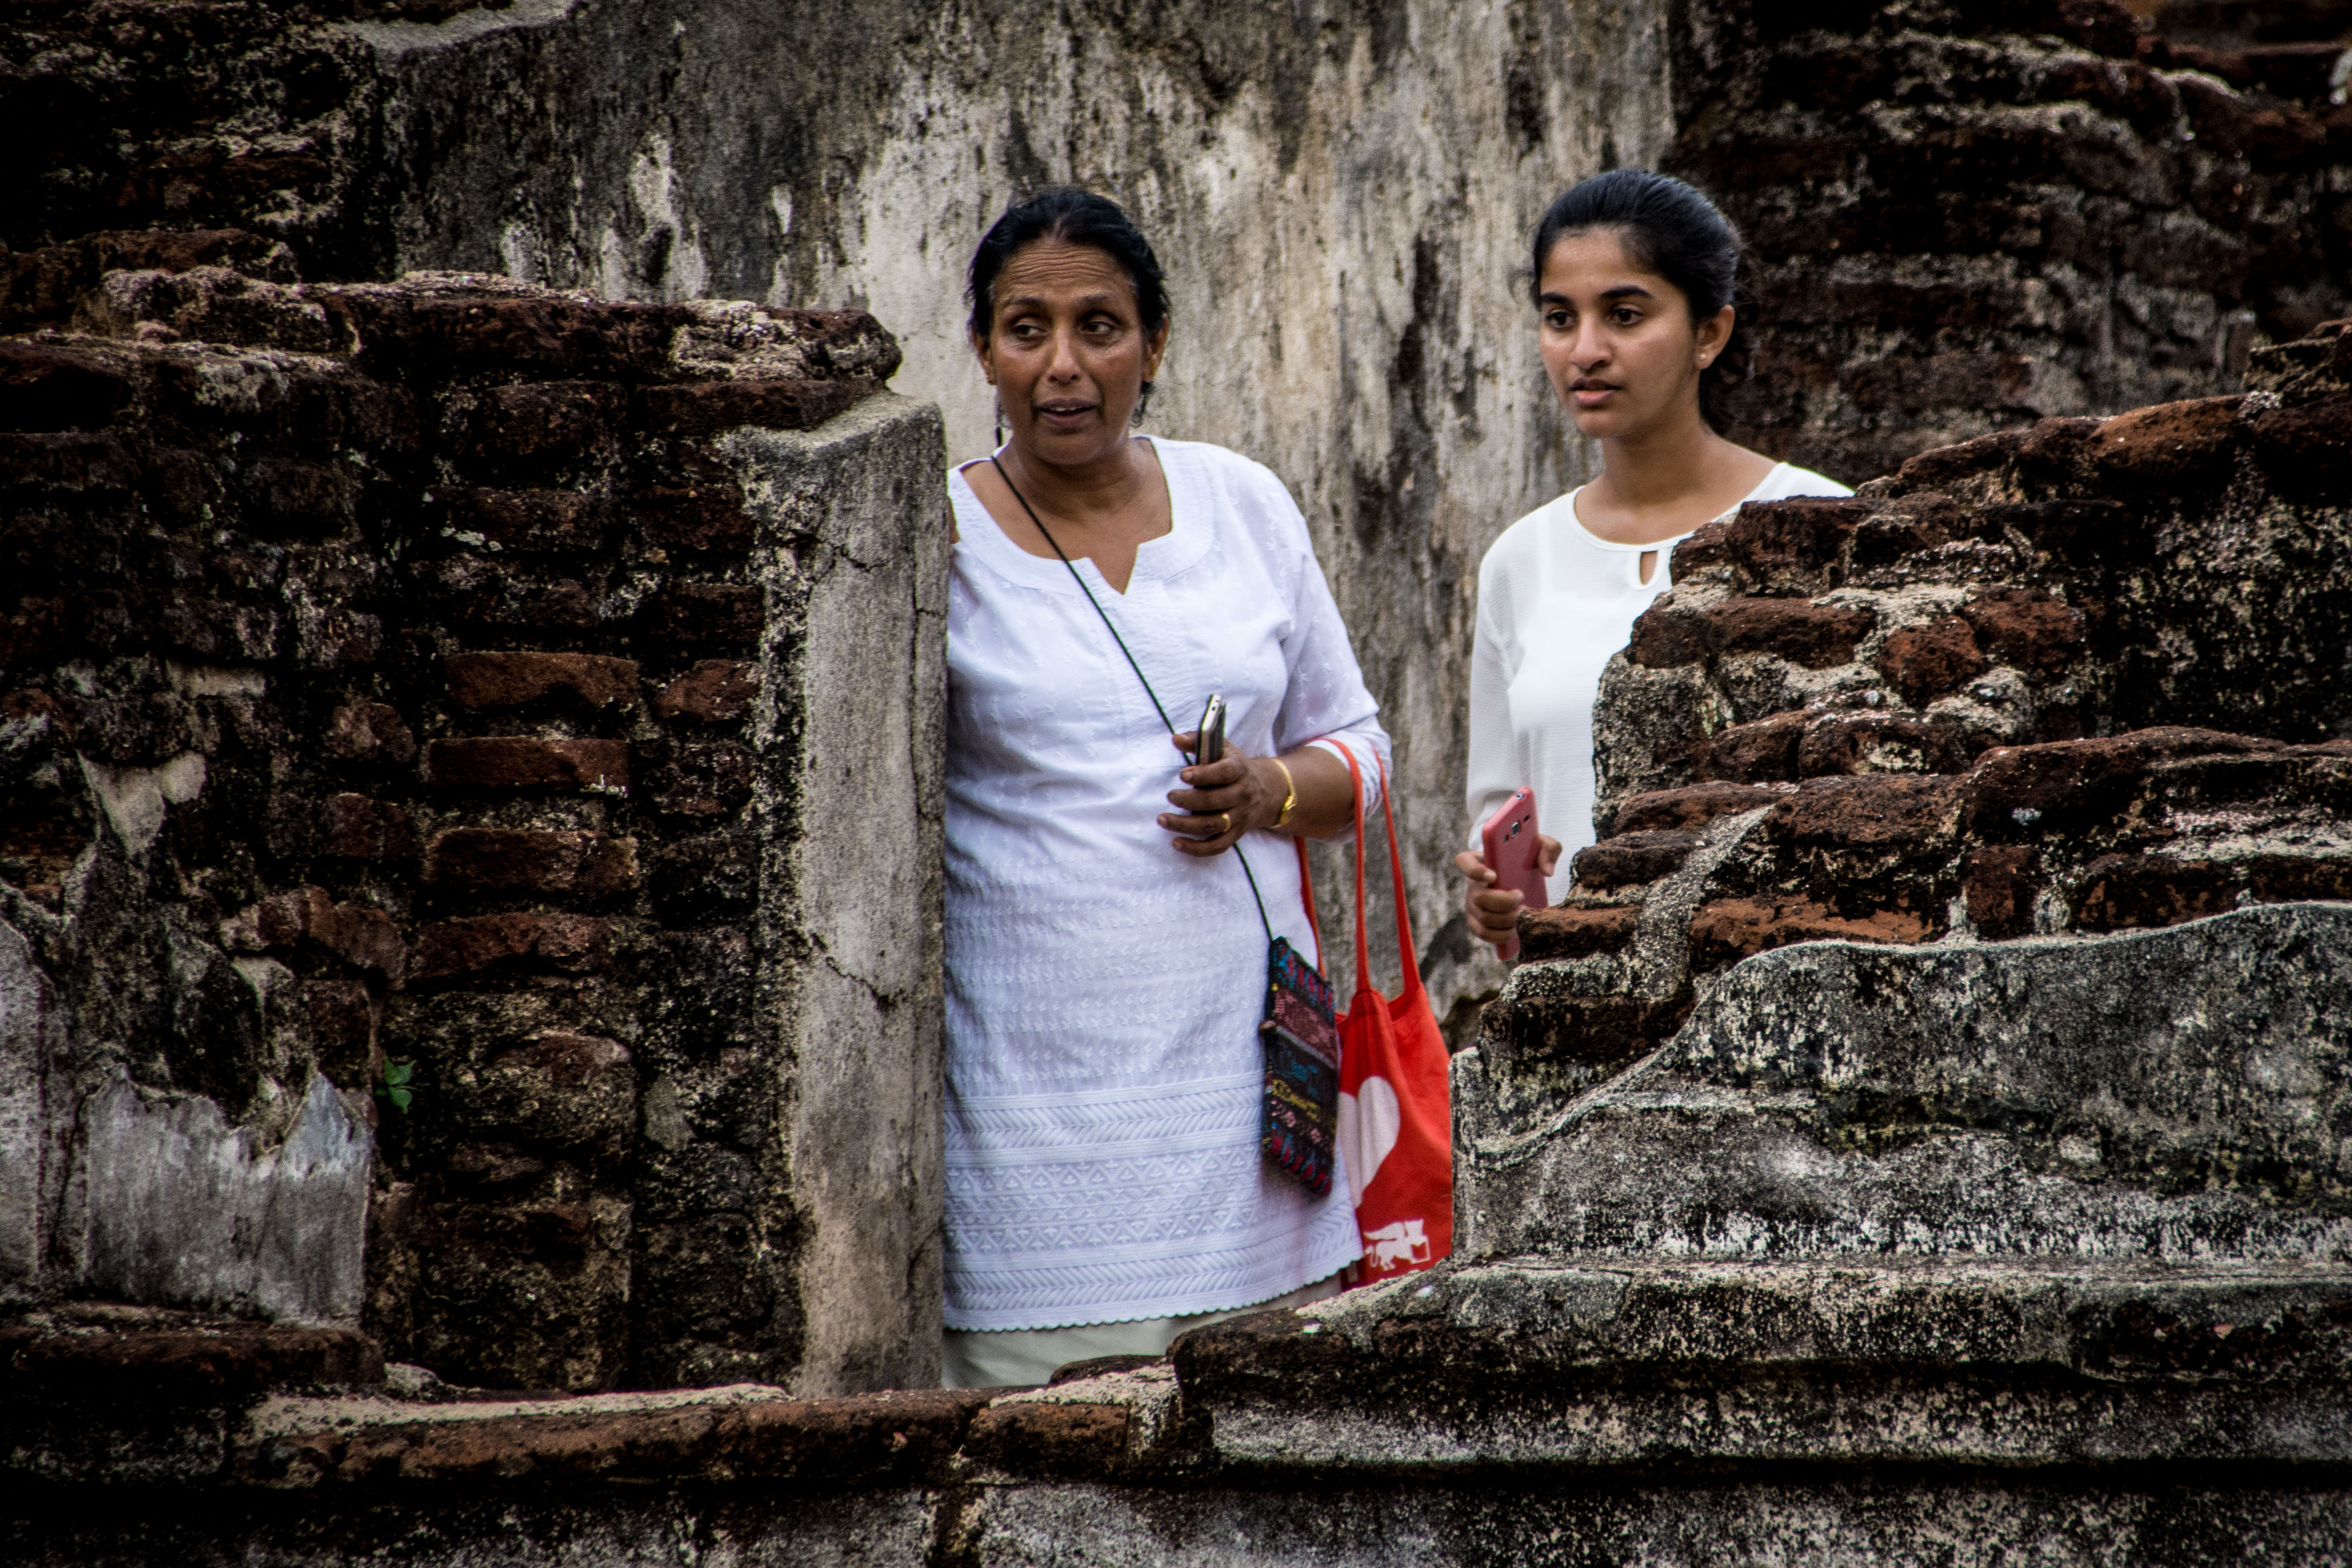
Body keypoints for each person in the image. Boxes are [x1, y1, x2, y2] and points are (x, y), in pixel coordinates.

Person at [941, 188, 1391, 1388]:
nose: (1063, 366)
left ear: (1155, 343)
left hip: (1244, 1113)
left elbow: (1359, 751)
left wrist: (1264, 793)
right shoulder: (935, 538)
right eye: (1024, 329)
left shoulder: (1242, 503)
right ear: (982, 348)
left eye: (1100, 326)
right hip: (1028, 1118)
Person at [1456, 169, 1851, 949]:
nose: (1587, 351)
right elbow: (1503, 812)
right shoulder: (1520, 560)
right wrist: (1500, 904)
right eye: (1559, 318)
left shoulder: (1821, 522)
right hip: (1586, 1016)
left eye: (1625, 315)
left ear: (1710, 332)